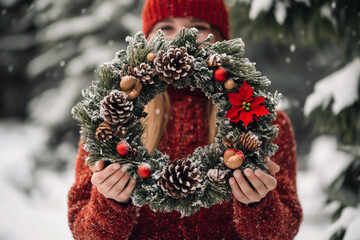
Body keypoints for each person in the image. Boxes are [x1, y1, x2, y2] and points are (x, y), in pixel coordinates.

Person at [67, 0, 303, 239]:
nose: (182, 37)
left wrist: (258, 205)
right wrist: (110, 202)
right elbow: (83, 231)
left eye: (198, 26)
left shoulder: (261, 123)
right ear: (147, 40)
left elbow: (284, 230)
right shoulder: (110, 123)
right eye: (166, 27)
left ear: (221, 39)